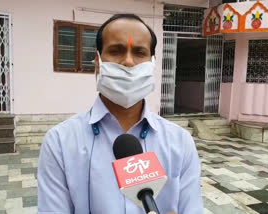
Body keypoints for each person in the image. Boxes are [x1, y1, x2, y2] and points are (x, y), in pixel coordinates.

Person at [38, 13, 204, 214]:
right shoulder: (60, 143)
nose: (128, 61)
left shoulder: (180, 143)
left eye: (139, 52)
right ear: (98, 61)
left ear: (152, 63)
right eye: (116, 51)